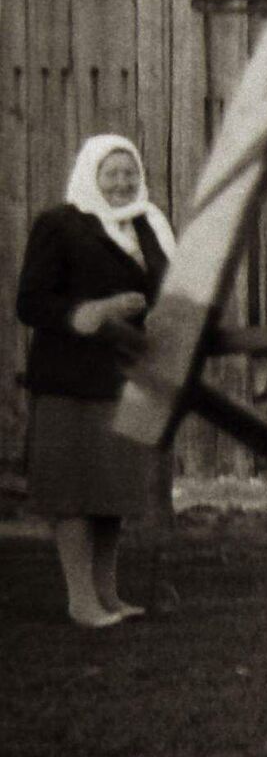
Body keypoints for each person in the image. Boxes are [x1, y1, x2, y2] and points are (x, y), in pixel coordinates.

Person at [14, 134, 176, 627]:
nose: (124, 183)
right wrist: (97, 311)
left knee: (112, 492)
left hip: (126, 376)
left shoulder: (150, 227)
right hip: (71, 378)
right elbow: (31, 302)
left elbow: (168, 290)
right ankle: (80, 599)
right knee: (73, 492)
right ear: (90, 175)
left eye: (131, 173)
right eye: (113, 174)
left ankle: (108, 595)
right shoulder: (60, 225)